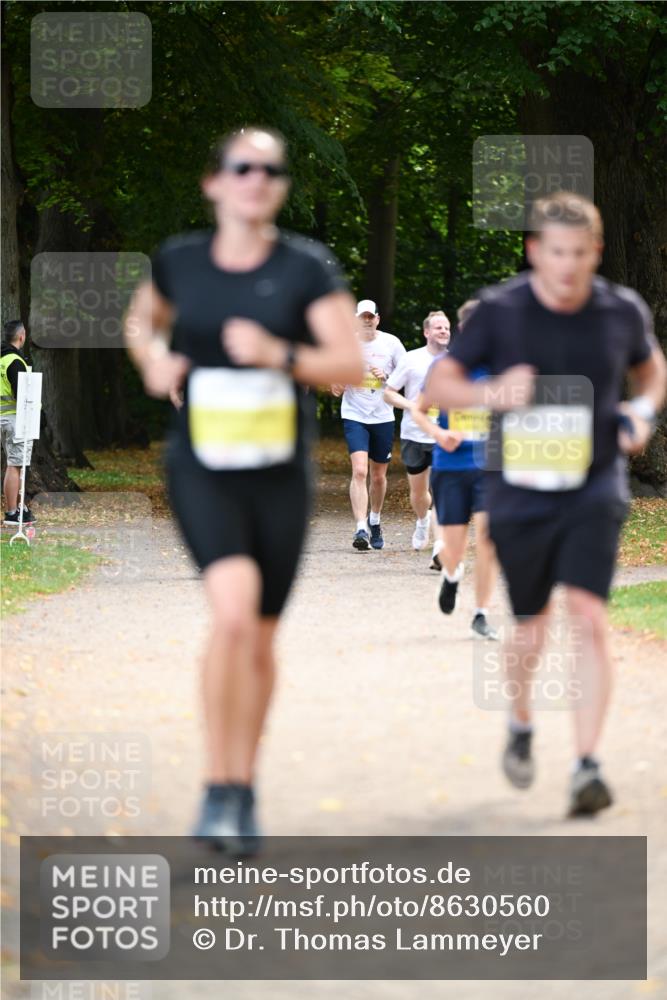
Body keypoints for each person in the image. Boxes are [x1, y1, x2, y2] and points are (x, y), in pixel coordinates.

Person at [125, 126, 362, 852]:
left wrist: (277, 353)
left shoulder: (305, 269)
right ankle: (215, 786)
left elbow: (348, 365)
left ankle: (244, 787)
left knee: (258, 634)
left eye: (270, 170)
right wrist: (154, 359)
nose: (256, 178)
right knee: (230, 616)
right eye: (242, 167)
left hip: (277, 471)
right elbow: (142, 319)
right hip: (201, 463)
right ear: (215, 182)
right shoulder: (180, 261)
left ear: (280, 186)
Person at [426, 191, 666, 816]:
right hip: (519, 487)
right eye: (555, 253)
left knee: (588, 616)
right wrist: (496, 391)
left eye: (580, 255)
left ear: (597, 253)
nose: (567, 267)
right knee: (530, 628)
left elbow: (651, 369)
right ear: (535, 251)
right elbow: (441, 383)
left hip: (594, 483)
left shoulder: (621, 311)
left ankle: (588, 765)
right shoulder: (502, 311)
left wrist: (640, 412)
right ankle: (522, 722)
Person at [414, 300, 499, 640]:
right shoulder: (444, 368)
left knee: (490, 539)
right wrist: (439, 434)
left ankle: (481, 613)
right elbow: (419, 410)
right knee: (453, 548)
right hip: (450, 467)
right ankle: (452, 574)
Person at [331, 300, 405, 550]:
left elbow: (406, 379)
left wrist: (388, 378)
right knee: (360, 471)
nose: (366, 321)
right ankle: (361, 528)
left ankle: (375, 520)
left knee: (378, 476)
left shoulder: (392, 344)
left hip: (383, 416)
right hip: (355, 414)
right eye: (361, 317)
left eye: (370, 317)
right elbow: (334, 385)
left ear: (377, 319)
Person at [383, 310, 450, 552]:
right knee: (419, 493)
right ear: (426, 332)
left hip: (444, 434)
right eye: (439, 327)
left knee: (442, 488)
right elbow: (389, 393)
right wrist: (412, 405)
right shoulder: (411, 359)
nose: (444, 331)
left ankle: (440, 545)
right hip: (413, 433)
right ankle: (423, 520)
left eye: (447, 328)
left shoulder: (456, 361)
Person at [1, 320, 36, 526]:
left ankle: (18, 508)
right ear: (21, 336)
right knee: (15, 465)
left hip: (2, 417)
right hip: (15, 419)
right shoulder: (15, 361)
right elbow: (22, 395)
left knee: (14, 465)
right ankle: (12, 512)